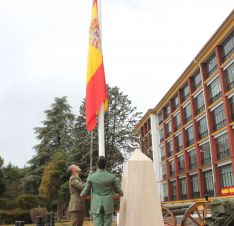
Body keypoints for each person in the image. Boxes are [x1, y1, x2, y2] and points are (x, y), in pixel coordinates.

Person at [80, 156, 123, 226]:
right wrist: (119, 195)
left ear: (97, 164)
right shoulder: (112, 177)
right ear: (106, 164)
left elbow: (85, 191)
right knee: (107, 223)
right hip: (108, 203)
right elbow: (118, 190)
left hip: (96, 203)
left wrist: (84, 196)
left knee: (97, 224)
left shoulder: (91, 177)